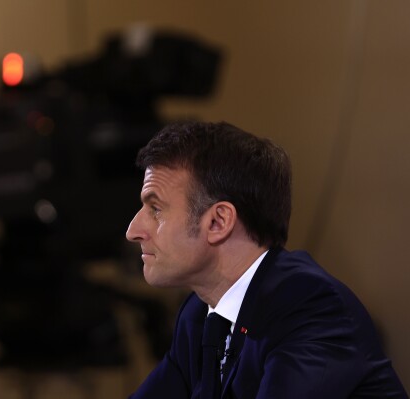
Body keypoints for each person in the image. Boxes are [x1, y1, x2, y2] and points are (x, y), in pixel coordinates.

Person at [125, 121, 407, 398]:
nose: (132, 231)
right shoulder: (197, 316)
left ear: (218, 222)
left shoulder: (312, 308)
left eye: (156, 208)